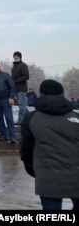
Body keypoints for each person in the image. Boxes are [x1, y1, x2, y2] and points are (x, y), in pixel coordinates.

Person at [20, 79, 79, 210]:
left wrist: (32, 169)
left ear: (41, 95)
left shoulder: (31, 118)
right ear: (62, 94)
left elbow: (26, 149)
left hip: (47, 178)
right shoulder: (76, 117)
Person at [11, 51, 29, 124]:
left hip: (21, 88)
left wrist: (16, 81)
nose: (15, 57)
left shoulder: (23, 65)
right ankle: (30, 116)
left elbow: (26, 76)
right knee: (21, 105)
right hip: (16, 88)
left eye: (17, 56)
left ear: (20, 57)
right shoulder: (14, 67)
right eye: (14, 56)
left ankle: (21, 119)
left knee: (21, 104)